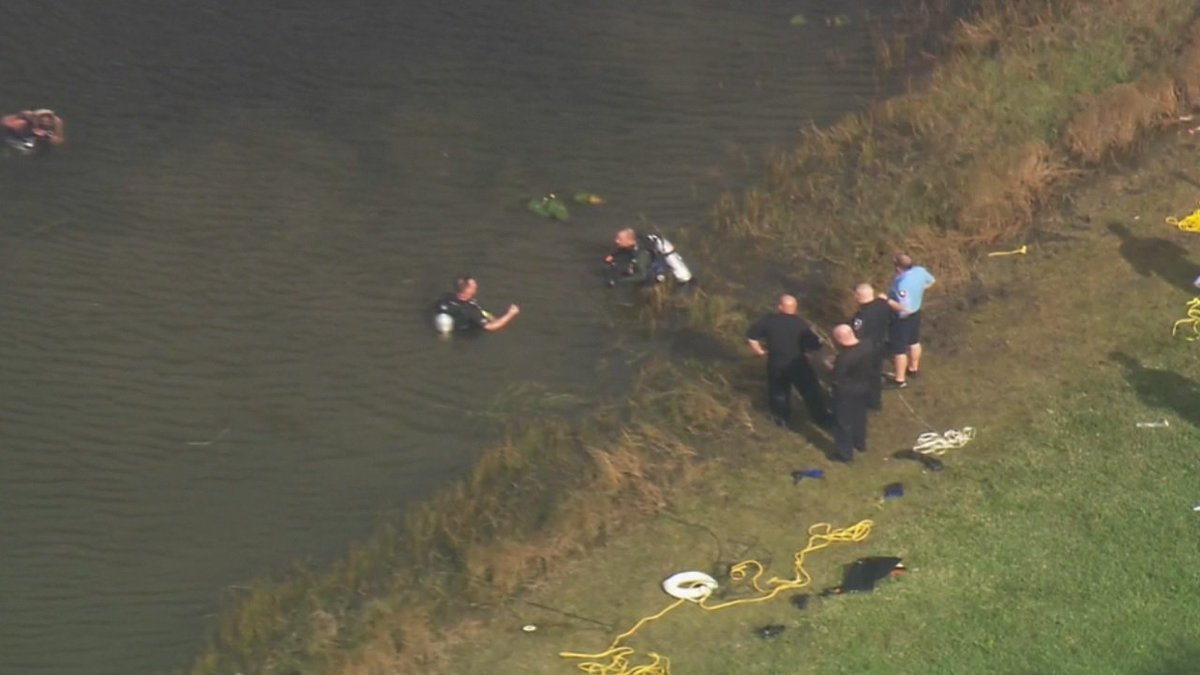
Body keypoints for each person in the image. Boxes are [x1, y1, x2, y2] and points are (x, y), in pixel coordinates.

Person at [746, 294, 833, 429]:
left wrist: (759, 351)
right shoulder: (801, 324)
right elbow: (815, 346)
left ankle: (781, 419)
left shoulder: (768, 320)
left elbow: (751, 337)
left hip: (776, 363)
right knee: (811, 392)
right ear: (795, 308)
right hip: (798, 364)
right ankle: (821, 419)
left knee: (778, 392)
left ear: (780, 306)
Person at [882, 254, 935, 389]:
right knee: (914, 342)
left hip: (902, 318)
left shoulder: (902, 284)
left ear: (899, 268)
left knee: (899, 349)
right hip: (916, 313)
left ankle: (900, 380)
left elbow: (904, 309)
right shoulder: (920, 271)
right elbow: (932, 281)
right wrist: (920, 290)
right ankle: (913, 369)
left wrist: (886, 300)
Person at [829, 324, 875, 463]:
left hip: (847, 392)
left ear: (839, 339)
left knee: (844, 423)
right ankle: (860, 443)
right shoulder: (867, 345)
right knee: (860, 416)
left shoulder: (844, 358)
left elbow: (837, 377)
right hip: (864, 386)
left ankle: (845, 455)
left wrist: (830, 367)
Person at [604, 227, 693, 287]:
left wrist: (618, 281)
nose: (616, 241)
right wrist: (613, 255)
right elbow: (625, 247)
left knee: (681, 278)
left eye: (619, 239)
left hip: (679, 276)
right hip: (653, 251)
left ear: (629, 241)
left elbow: (642, 276)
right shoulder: (634, 240)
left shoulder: (641, 255)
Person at [850, 283, 890, 410]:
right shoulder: (882, 304)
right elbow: (883, 300)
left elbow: (857, 335)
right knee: (876, 375)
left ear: (858, 296)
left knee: (863, 376)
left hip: (866, 349)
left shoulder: (861, 316)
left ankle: (864, 401)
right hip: (880, 344)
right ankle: (875, 403)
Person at [432, 275, 519, 334]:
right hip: (469, 336)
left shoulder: (445, 297)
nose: (476, 286)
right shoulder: (470, 310)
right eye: (473, 286)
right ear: (466, 291)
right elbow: (491, 327)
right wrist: (510, 314)